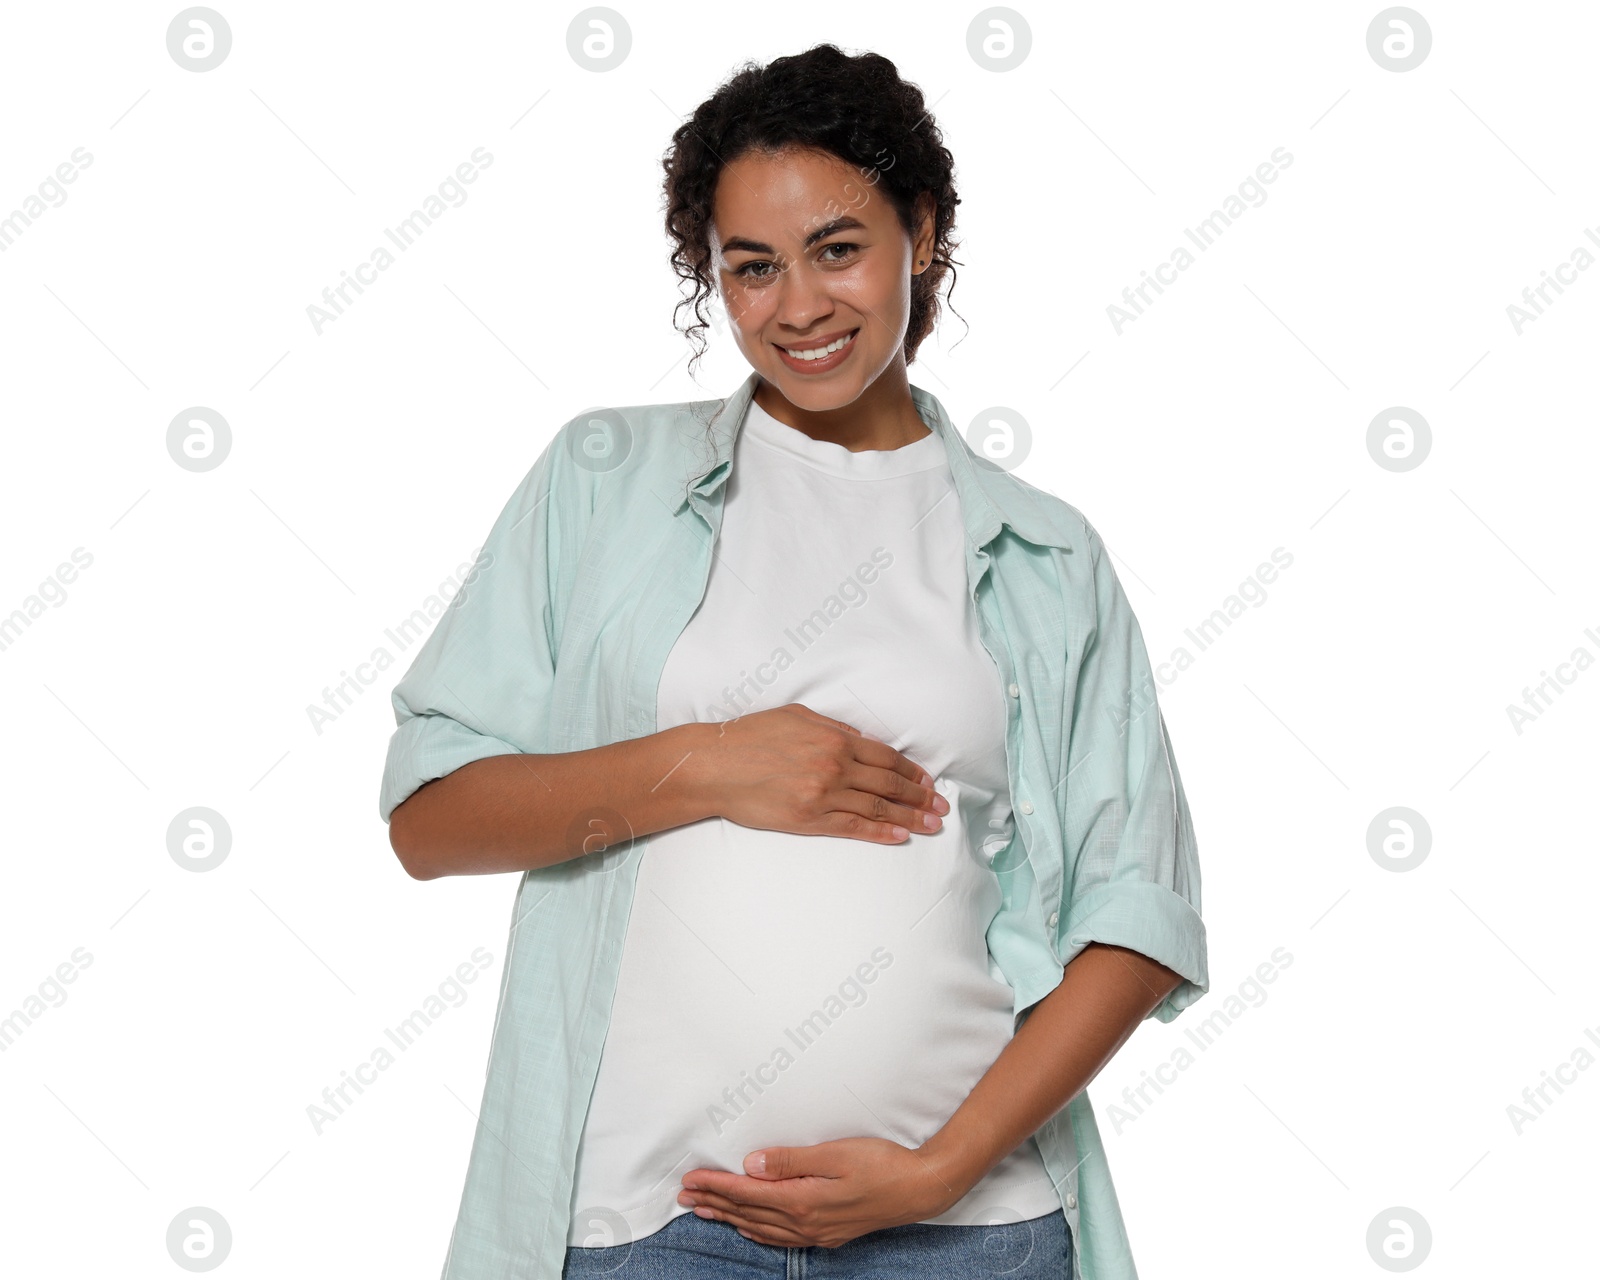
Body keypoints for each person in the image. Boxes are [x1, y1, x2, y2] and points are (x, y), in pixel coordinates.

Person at [380, 43, 1209, 1280]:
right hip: (642, 1221)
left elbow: (1136, 913)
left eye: (837, 248)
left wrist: (941, 1164)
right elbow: (432, 817)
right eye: (749, 267)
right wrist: (709, 763)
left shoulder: (1044, 552)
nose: (798, 306)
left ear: (920, 234)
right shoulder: (602, 480)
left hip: (971, 1228)